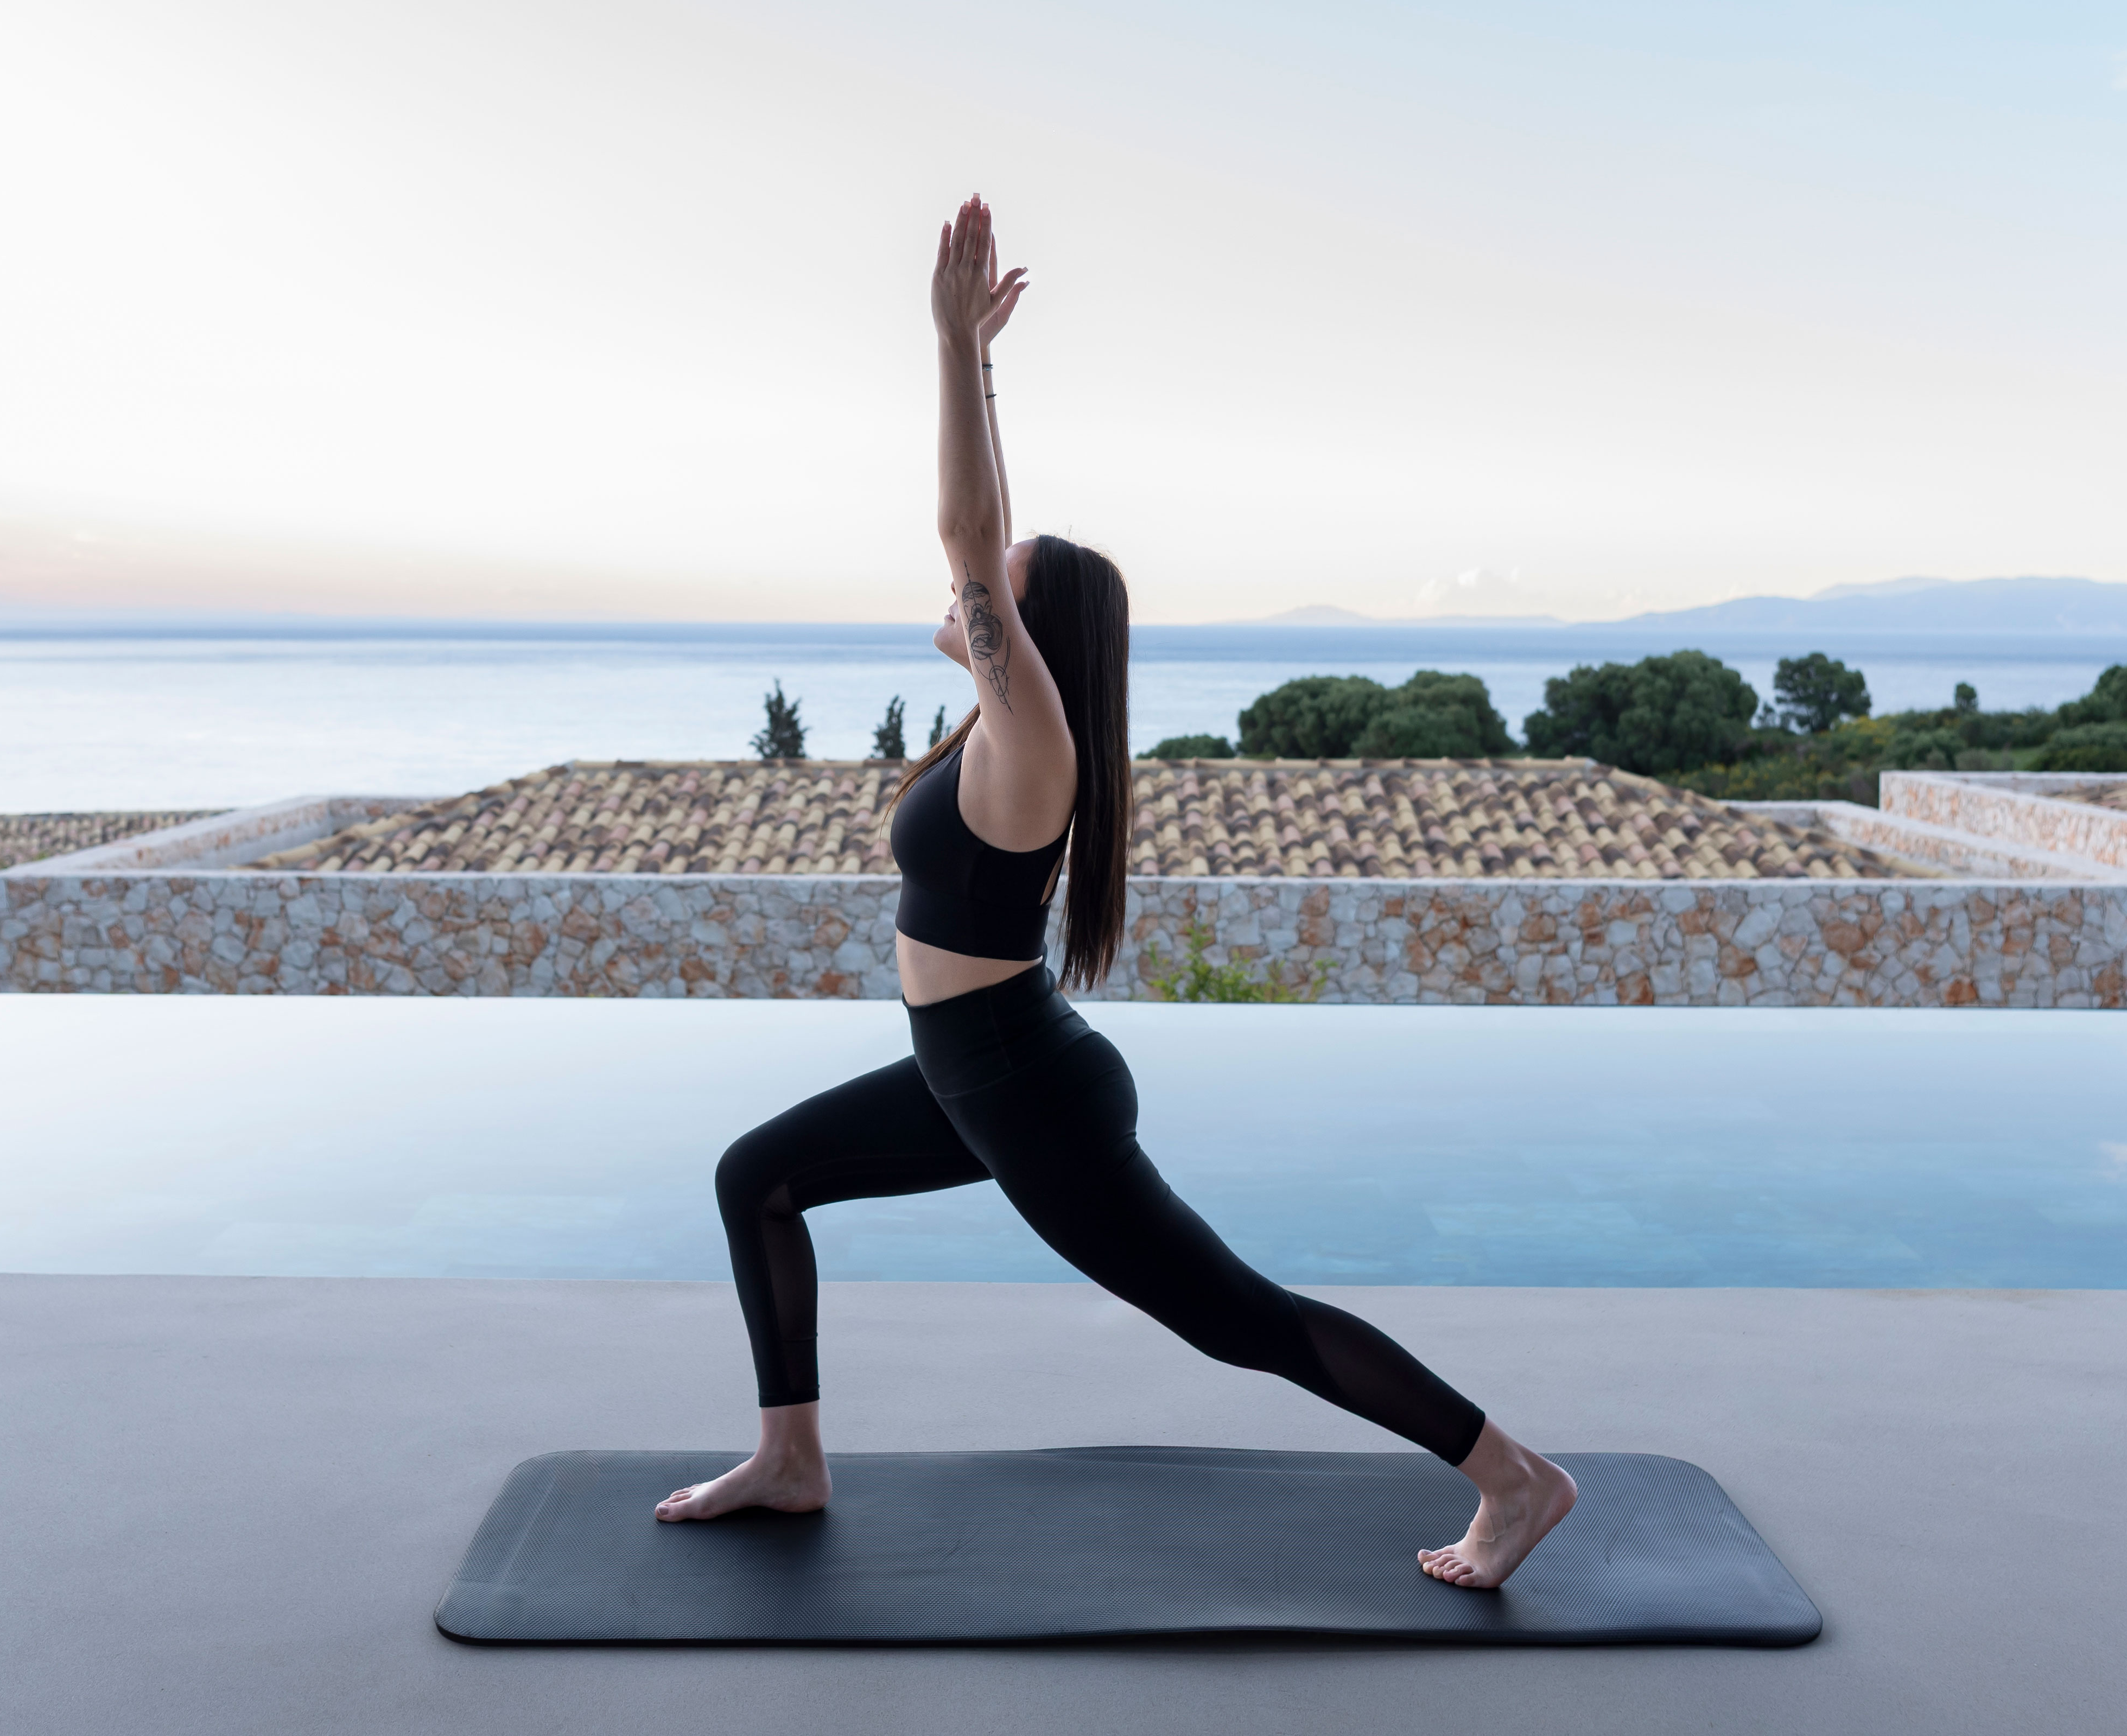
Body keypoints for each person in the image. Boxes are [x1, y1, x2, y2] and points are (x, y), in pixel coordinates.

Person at [654, 196, 1577, 1591]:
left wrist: (954, 352)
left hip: (1023, 1085)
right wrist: (989, 373)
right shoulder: (994, 727)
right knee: (758, 1179)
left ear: (1029, 638)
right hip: (973, 1066)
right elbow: (989, 541)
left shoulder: (1033, 747)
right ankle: (792, 1456)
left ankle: (1515, 1478)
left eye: (1005, 600)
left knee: (1235, 1318)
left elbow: (974, 536)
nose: (975, 598)